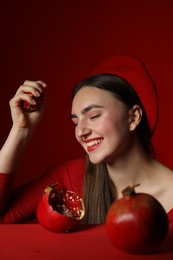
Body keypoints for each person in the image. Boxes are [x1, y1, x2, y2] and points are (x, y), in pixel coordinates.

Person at [0, 55, 173, 238]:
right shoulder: (71, 176)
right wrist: (21, 130)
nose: (80, 132)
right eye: (75, 122)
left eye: (94, 116)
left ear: (134, 117)